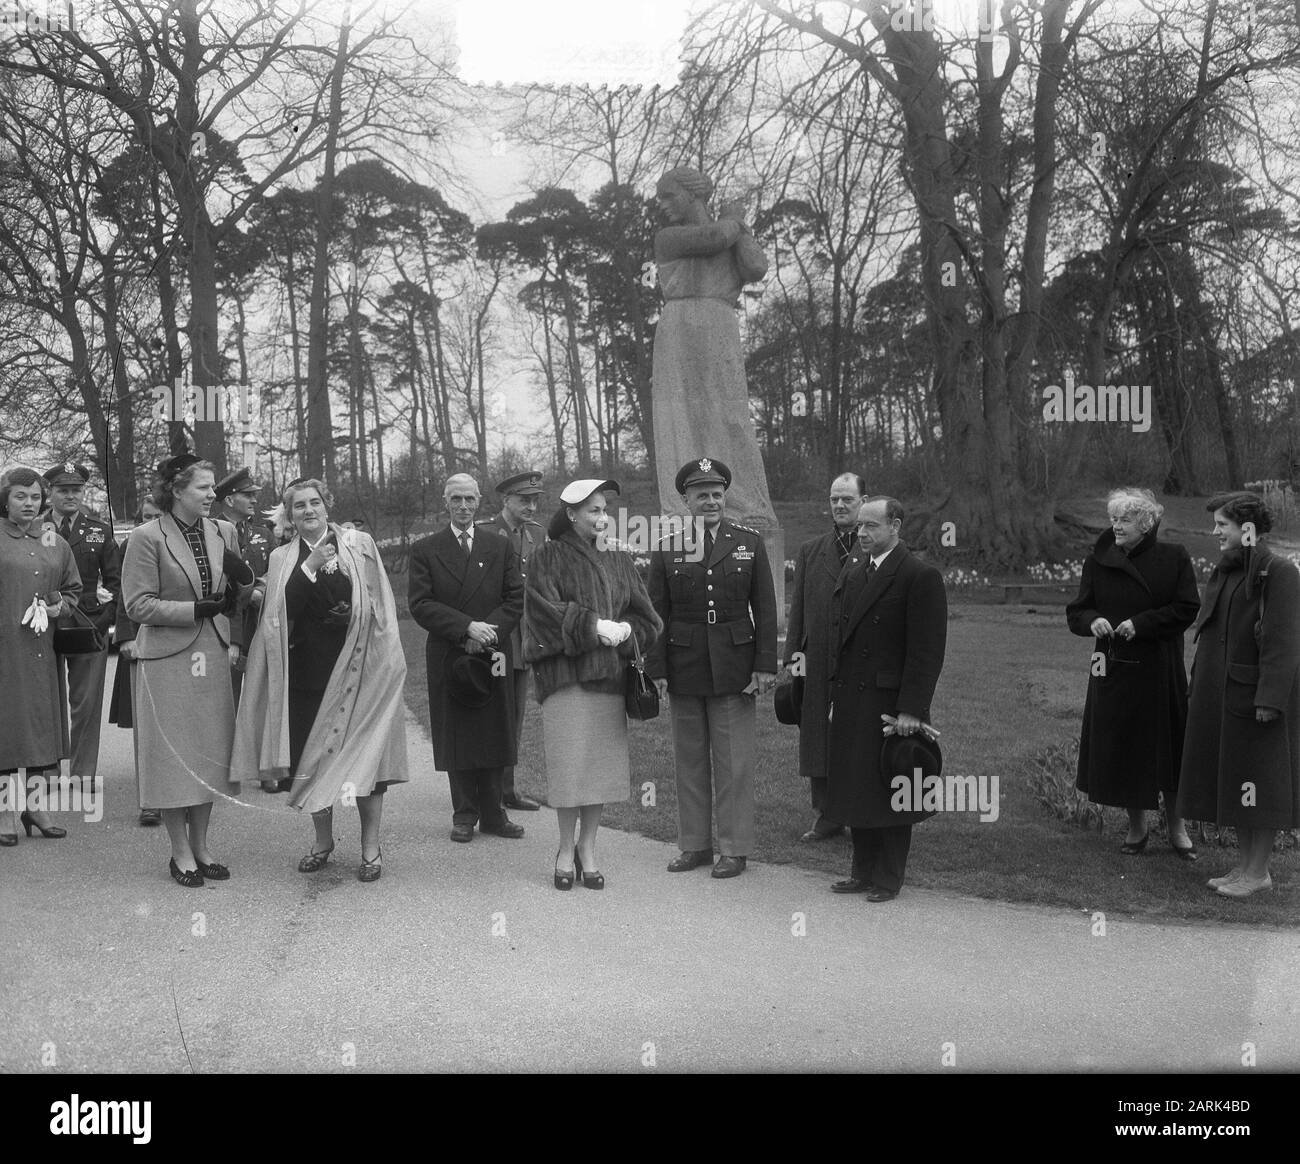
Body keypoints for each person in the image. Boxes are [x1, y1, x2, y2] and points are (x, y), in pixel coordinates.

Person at [232, 478, 408, 882]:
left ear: (328, 506)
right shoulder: (280, 558)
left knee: (368, 761)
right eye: (298, 506)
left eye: (315, 503)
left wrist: (357, 616)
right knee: (312, 761)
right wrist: (309, 568)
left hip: (360, 668)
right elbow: (278, 616)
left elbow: (381, 602)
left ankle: (370, 847)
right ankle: (323, 842)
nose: (308, 511)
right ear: (289, 516)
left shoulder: (360, 544)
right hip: (308, 672)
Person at [121, 454, 254, 887]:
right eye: (203, 488)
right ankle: (179, 853)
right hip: (166, 656)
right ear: (177, 491)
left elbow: (237, 594)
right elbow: (137, 605)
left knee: (209, 752)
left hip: (211, 653)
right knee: (173, 755)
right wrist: (194, 609)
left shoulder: (224, 531)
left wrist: (243, 585)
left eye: (214, 487)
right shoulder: (146, 537)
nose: (212, 495)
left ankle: (202, 846)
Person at [525, 478, 662, 889]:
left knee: (599, 770)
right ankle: (565, 848)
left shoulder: (619, 558)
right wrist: (591, 626)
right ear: (571, 515)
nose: (603, 518)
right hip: (565, 680)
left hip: (608, 680)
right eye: (593, 511)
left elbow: (649, 618)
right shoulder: (547, 556)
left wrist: (624, 631)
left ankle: (589, 848)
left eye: (605, 510)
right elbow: (541, 612)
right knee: (571, 769)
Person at [646, 458, 778, 879]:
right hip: (684, 666)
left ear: (726, 497)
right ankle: (695, 845)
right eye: (701, 494)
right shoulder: (668, 546)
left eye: (717, 494)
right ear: (686, 499)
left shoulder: (748, 543)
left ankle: (734, 848)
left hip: (735, 668)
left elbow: (767, 610)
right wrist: (657, 669)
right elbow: (655, 614)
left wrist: (764, 666)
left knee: (734, 762)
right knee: (689, 761)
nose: (711, 501)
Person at [1176, 492, 1300, 898]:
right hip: (1223, 697)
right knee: (1239, 782)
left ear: (1247, 528)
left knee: (1259, 784)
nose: (1214, 532)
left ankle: (1258, 870)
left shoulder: (1279, 572)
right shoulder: (1227, 571)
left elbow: (1283, 643)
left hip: (1257, 700)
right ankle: (1246, 867)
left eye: (1221, 525)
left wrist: (1270, 699)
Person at [1066, 488, 1200, 857]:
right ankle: (1137, 828)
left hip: (1160, 667)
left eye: (1124, 519)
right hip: (1113, 668)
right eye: (1113, 519)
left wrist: (1140, 624)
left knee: (1168, 748)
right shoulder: (1098, 561)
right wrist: (1092, 621)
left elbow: (1188, 607)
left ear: (1146, 524)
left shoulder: (1173, 557)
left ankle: (1178, 829)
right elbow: (1077, 611)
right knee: (1125, 748)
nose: (1116, 526)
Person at [825, 496, 947, 902]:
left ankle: (888, 877)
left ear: (895, 526)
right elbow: (843, 640)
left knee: (892, 787)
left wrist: (911, 709)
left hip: (891, 703)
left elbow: (926, 651)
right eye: (859, 526)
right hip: (852, 698)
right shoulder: (857, 568)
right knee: (857, 786)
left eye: (871, 526)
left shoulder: (918, 575)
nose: (861, 533)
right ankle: (862, 871)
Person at [651, 167, 776, 529]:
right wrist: (735, 221)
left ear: (692, 194)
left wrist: (737, 229)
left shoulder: (729, 231)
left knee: (730, 413)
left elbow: (756, 266)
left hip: (718, 323)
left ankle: (747, 503)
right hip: (677, 326)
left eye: (668, 195)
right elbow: (710, 238)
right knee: (679, 417)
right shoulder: (669, 238)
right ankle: (681, 505)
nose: (662, 205)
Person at [408, 474, 525, 845]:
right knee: (456, 731)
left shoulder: (499, 546)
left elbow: (515, 598)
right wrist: (466, 628)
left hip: (493, 651)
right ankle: (464, 813)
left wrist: (487, 631)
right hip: (449, 650)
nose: (463, 506)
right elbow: (421, 604)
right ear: (446, 502)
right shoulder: (426, 549)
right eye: (456, 499)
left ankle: (493, 813)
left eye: (469, 499)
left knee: (494, 726)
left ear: (479, 503)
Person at [781, 473, 867, 842]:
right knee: (817, 734)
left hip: (860, 661)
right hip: (815, 661)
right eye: (834, 499)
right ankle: (826, 815)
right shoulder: (812, 550)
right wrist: (793, 663)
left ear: (863, 501)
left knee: (858, 736)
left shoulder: (875, 548)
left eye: (848, 499)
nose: (840, 506)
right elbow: (797, 610)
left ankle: (862, 812)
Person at [0, 467, 81, 846]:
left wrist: (58, 606)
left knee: (36, 729)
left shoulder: (54, 541)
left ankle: (35, 807)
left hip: (39, 653)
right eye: (20, 496)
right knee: (5, 729)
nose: (29, 504)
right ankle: (3, 811)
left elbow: (73, 590)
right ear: (6, 498)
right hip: (4, 651)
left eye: (35, 497)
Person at [44, 462, 120, 798]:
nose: (71, 496)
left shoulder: (99, 530)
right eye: (63, 490)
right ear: (51, 493)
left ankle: (82, 774)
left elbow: (117, 583)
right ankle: (44, 770)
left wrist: (106, 619)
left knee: (86, 703)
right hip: (42, 623)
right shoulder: (35, 527)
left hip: (89, 622)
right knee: (45, 700)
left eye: (76, 490)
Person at [475, 470, 545, 812]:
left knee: (514, 714)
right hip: (493, 636)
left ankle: (507, 790)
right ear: (506, 500)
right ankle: (483, 793)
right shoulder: (486, 533)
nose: (531, 506)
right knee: (489, 713)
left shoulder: (537, 535)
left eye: (534, 500)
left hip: (524, 638)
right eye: (524, 500)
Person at [108, 495, 163, 825]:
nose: (148, 521)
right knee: (146, 725)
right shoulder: (132, 546)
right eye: (144, 516)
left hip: (177, 639)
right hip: (141, 640)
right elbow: (124, 596)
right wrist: (126, 636)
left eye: (155, 515)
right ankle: (150, 801)